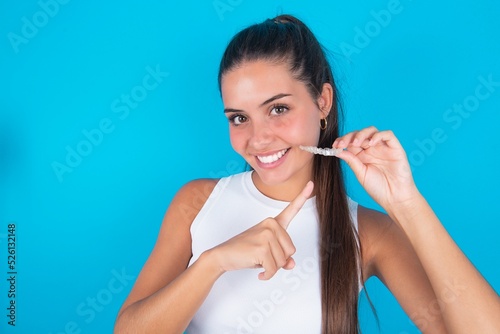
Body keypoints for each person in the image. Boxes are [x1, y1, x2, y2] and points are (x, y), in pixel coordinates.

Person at [114, 15, 500, 333]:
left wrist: (407, 204)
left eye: (278, 109)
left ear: (323, 102)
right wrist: (214, 262)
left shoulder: (370, 233)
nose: (259, 138)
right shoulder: (196, 203)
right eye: (239, 118)